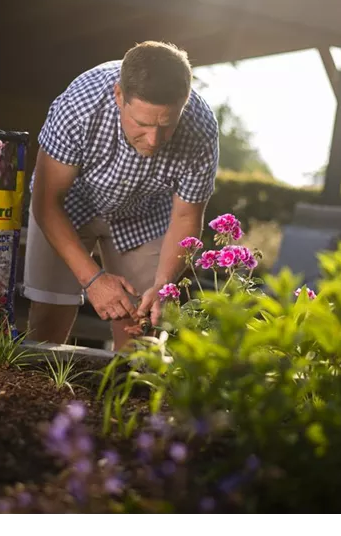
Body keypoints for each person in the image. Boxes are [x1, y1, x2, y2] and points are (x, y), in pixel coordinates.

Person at [19, 41, 220, 351]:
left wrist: (164, 285)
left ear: (185, 101)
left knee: (144, 332)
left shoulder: (201, 129)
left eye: (166, 125)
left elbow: (185, 217)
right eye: (141, 123)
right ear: (118, 96)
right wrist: (93, 280)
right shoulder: (78, 106)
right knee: (48, 321)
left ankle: (122, 395)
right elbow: (46, 203)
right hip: (69, 205)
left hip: (145, 213)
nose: (154, 140)